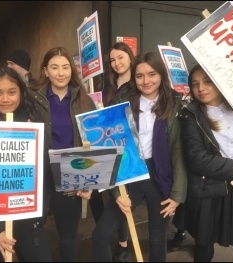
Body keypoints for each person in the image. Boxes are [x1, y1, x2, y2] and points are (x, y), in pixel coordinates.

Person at [92, 51, 187, 262]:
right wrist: (116, 192)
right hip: (129, 173)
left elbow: (178, 150)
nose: (146, 81)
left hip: (161, 176)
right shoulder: (121, 102)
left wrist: (177, 194)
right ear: (133, 77)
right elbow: (111, 145)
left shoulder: (175, 104)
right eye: (140, 75)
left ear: (161, 74)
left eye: (152, 74)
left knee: (157, 240)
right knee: (100, 235)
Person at [0, 66, 53, 262]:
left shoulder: (33, 122)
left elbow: (44, 170)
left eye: (12, 92)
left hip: (29, 220)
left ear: (21, 93)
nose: (5, 99)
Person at [179, 64, 233, 262]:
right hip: (206, 191)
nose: (201, 88)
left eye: (207, 81)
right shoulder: (191, 115)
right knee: (204, 247)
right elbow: (198, 160)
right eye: (195, 84)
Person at [28, 46, 95, 262]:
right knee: (33, 230)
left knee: (68, 234)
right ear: (45, 71)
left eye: (65, 67)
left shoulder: (84, 99)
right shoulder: (31, 99)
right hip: (39, 175)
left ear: (72, 70)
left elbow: (93, 142)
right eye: (54, 67)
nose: (60, 73)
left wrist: (89, 180)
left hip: (71, 172)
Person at [96, 41, 137, 262]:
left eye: (120, 57)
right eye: (112, 60)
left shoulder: (138, 83)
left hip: (130, 147)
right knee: (114, 195)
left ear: (130, 57)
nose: (117, 63)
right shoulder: (107, 85)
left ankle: (123, 244)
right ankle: (118, 241)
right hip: (108, 144)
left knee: (124, 197)